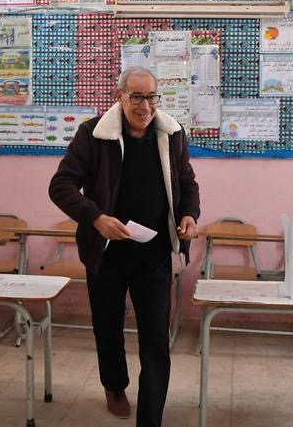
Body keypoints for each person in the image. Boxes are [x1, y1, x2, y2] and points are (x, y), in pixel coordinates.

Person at [49, 66, 200, 427]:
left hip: (154, 255)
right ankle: (115, 386)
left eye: (151, 97)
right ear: (120, 96)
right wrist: (96, 217)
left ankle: (150, 419)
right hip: (107, 254)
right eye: (136, 96)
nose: (145, 106)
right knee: (108, 328)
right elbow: (61, 185)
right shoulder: (93, 134)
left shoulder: (172, 134)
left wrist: (190, 215)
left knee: (155, 340)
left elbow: (187, 182)